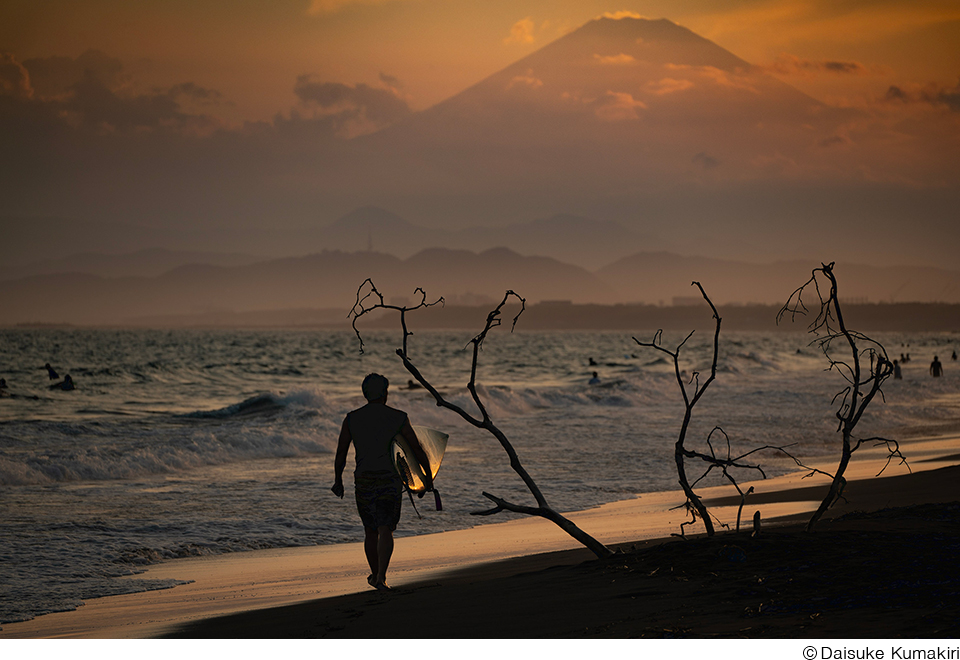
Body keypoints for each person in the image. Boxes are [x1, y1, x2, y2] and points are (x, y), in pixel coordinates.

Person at [332, 373, 431, 592]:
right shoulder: (398, 417)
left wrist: (338, 480)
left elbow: (341, 453)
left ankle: (376, 575)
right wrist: (428, 477)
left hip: (364, 480)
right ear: (385, 393)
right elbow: (416, 448)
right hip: (389, 479)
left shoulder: (351, 419)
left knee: (370, 530)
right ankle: (381, 576)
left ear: (365, 394)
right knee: (386, 528)